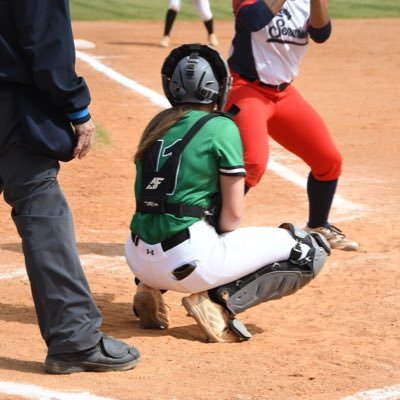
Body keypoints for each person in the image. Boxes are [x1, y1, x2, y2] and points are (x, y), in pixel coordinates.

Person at [124, 43, 330, 343]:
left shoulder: (156, 125)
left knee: (166, 211)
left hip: (137, 255)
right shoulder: (221, 127)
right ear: (218, 88)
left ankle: (148, 288)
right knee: (310, 250)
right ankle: (218, 303)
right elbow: (232, 217)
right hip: (188, 260)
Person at [0, 0, 140, 374]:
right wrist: (77, 109)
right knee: (42, 211)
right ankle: (74, 339)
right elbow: (46, 44)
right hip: (11, 108)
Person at [224, 0, 359, 251]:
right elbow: (253, 19)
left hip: (283, 94)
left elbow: (320, 33)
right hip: (245, 88)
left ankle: (318, 226)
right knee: (252, 163)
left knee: (328, 160)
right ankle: (207, 230)